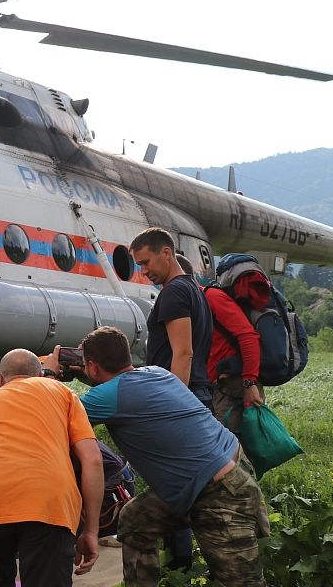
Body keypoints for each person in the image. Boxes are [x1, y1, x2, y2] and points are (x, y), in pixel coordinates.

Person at [68, 327, 267, 587]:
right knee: (134, 521)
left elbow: (57, 415)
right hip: (232, 463)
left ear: (93, 367)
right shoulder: (158, 373)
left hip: (218, 491)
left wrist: (47, 375)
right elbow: (120, 387)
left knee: (242, 582)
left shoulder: (105, 397)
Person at [0, 349, 102, 587]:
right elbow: (92, 460)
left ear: (1, 380)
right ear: (39, 374)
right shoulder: (63, 393)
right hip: (47, 502)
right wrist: (91, 531)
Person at [130, 230, 215, 571]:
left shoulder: (174, 294)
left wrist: (173, 403)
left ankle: (180, 562)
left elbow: (184, 352)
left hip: (184, 394)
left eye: (146, 262)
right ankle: (183, 559)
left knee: (174, 481)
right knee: (187, 480)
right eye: (139, 265)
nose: (144, 271)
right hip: (197, 392)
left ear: (167, 253)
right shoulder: (192, 289)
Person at [204, 260, 269, 432]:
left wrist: (249, 383)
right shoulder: (200, 302)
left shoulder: (211, 298)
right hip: (226, 386)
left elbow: (248, 336)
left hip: (235, 386)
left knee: (230, 447)